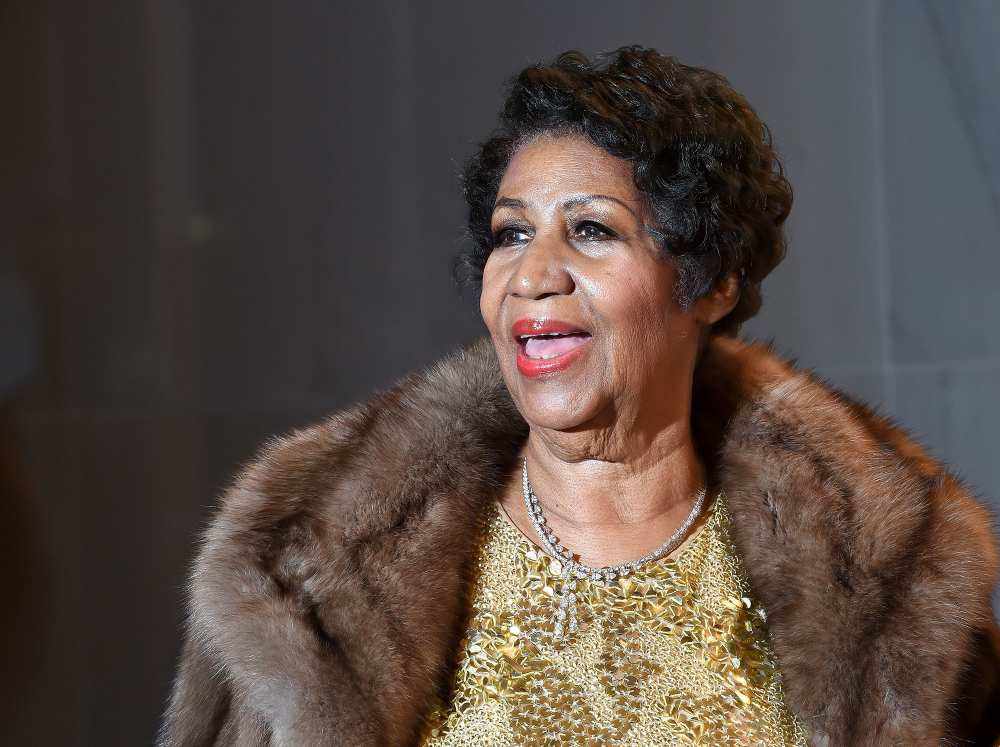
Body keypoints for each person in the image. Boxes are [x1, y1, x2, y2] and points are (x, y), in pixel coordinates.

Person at [159, 47, 1000, 746]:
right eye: (510, 234)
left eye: (591, 230)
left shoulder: (888, 577)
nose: (531, 275)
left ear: (711, 281)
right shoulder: (305, 568)